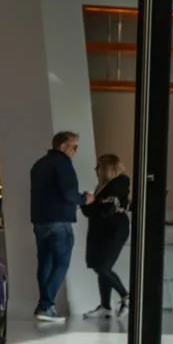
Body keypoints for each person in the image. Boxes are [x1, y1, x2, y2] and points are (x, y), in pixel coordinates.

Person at [29, 130, 89, 322]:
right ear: (63, 146)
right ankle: (46, 305)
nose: (76, 151)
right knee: (61, 262)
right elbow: (69, 192)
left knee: (45, 263)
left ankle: (44, 305)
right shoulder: (63, 163)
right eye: (75, 146)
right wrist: (84, 199)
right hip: (60, 221)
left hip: (40, 220)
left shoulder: (39, 164)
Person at [83, 152, 132, 318]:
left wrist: (93, 204)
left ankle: (126, 296)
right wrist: (90, 203)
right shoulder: (101, 187)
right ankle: (105, 305)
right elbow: (93, 210)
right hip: (101, 231)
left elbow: (106, 210)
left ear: (107, 168)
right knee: (100, 267)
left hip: (114, 230)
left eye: (99, 167)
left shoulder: (120, 182)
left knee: (103, 266)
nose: (96, 170)